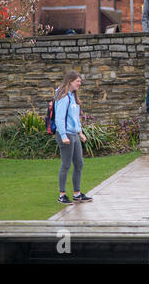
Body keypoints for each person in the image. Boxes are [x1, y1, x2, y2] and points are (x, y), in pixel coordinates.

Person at [55, 71, 92, 205]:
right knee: (66, 164)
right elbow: (59, 118)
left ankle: (77, 194)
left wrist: (80, 132)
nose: (79, 83)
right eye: (78, 81)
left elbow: (75, 118)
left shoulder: (73, 97)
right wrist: (64, 136)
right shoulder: (63, 97)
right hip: (65, 135)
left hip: (74, 134)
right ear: (70, 81)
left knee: (79, 163)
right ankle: (62, 195)